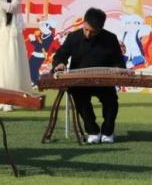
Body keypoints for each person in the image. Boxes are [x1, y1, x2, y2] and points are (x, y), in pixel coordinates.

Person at [52, 7, 126, 144]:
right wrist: (60, 63)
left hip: (103, 81)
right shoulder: (73, 37)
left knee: (111, 101)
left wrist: (119, 68)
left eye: (92, 32)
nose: (87, 34)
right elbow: (60, 55)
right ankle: (93, 131)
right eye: (86, 29)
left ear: (100, 29)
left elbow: (118, 61)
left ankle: (108, 131)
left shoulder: (110, 38)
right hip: (79, 82)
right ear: (83, 22)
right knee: (80, 100)